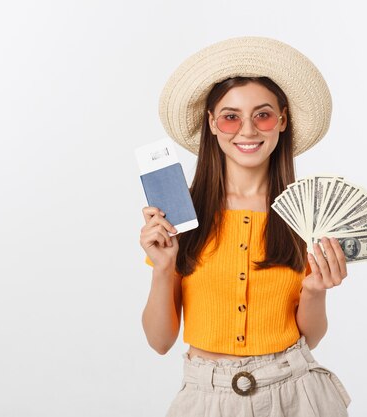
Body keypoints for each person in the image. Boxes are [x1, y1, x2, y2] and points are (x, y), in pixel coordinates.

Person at [140, 36, 352, 416]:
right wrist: (163, 268)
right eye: (231, 116)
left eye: (263, 114)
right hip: (205, 398)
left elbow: (312, 337)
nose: (248, 130)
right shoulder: (181, 214)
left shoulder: (304, 215)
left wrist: (315, 289)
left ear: (282, 121)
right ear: (212, 123)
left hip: (295, 395)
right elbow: (159, 341)